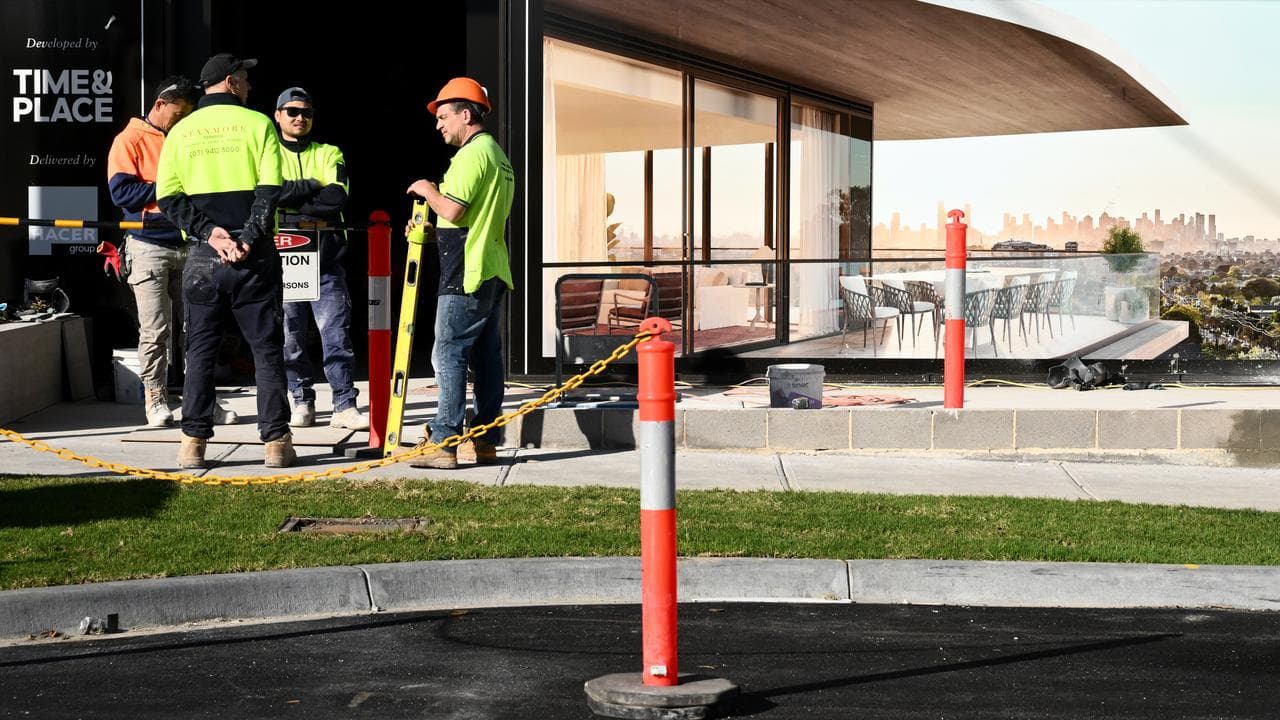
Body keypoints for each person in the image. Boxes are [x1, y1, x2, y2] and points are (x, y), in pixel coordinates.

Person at [156, 53, 294, 469]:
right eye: (246, 78)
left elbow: (168, 198)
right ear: (232, 83)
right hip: (253, 258)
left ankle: (192, 444)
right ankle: (276, 444)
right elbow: (269, 191)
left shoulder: (180, 132)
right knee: (267, 350)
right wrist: (247, 239)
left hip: (204, 258)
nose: (249, 85)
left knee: (199, 351)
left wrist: (209, 234)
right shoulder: (259, 124)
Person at [106, 76, 239, 428]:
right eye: (178, 114)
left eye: (187, 115)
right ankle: (155, 398)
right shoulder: (129, 139)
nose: (182, 121)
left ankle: (201, 400)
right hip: (148, 246)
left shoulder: (187, 135)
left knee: (198, 328)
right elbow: (122, 194)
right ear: (160, 105)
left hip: (190, 242)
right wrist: (169, 190)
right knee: (155, 329)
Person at [405, 77, 514, 470]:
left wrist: (427, 189)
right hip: (491, 267)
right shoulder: (498, 156)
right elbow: (474, 218)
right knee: (486, 358)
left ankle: (444, 440)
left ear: (466, 115)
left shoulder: (471, 155)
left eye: (445, 116)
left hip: (466, 272)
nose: (439, 124)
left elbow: (453, 209)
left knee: (448, 353)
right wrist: (434, 232)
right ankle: (484, 439)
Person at [272, 87, 369, 431]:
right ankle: (301, 400)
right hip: (284, 259)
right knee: (290, 337)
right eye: (293, 111)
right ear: (278, 115)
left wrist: (288, 197)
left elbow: (336, 198)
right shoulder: (267, 152)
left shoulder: (329, 152)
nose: (300, 118)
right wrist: (310, 187)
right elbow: (265, 195)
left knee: (336, 334)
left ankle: (344, 404)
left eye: (307, 113)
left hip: (326, 260)